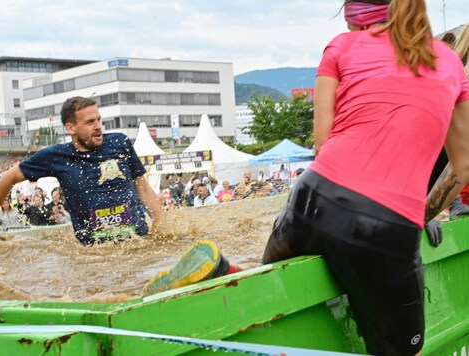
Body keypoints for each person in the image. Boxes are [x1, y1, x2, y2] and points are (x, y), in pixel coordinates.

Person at [144, 2, 469, 355]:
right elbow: (462, 166)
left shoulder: (341, 47)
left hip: (312, 199)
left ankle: (222, 270)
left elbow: (322, 144)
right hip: (383, 226)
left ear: (356, 19)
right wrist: (418, 217)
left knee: (268, 283)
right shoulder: (449, 62)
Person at [0, 96, 162, 245]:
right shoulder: (57, 157)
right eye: (90, 122)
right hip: (94, 253)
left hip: (138, 242)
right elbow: (8, 178)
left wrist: (164, 227)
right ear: (71, 128)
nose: (98, 126)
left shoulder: (119, 143)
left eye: (98, 119)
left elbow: (143, 188)